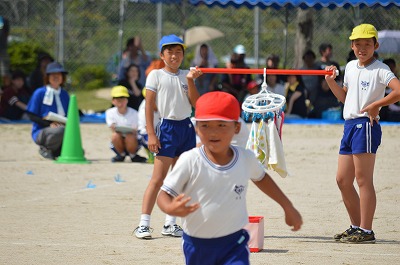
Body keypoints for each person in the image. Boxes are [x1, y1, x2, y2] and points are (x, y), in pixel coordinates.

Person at [157, 91, 302, 265]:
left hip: (234, 243)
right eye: (205, 125)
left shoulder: (246, 158)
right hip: (197, 246)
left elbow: (262, 178)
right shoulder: (189, 160)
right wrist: (171, 208)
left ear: (237, 127)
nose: (213, 132)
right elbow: (164, 194)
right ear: (196, 128)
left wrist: (287, 206)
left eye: (221, 125)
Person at [325, 24, 400, 243]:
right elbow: (345, 97)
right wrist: (331, 82)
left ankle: (367, 230)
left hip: (366, 125)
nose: (362, 48)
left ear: (376, 45)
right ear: (352, 45)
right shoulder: (350, 67)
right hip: (349, 125)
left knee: (363, 180)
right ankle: (356, 226)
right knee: (342, 180)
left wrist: (378, 105)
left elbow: (398, 90)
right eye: (358, 44)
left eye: (367, 44)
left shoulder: (381, 69)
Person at [133, 34, 203, 239]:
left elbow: (196, 105)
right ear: (162, 55)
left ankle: (170, 223)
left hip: (186, 128)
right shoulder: (155, 75)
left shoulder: (186, 75)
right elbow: (148, 106)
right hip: (167, 128)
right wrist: (151, 134)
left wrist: (190, 81)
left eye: (179, 51)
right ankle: (143, 223)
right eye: (170, 52)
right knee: (158, 179)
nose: (175, 55)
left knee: (180, 178)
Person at [26, 62, 70, 160]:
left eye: (59, 75)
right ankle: (46, 148)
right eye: (53, 75)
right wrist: (48, 124)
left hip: (62, 128)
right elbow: (30, 114)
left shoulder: (64, 94)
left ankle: (55, 151)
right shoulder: (40, 92)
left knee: (77, 150)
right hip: (42, 130)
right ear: (47, 77)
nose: (56, 77)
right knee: (59, 131)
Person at [105, 85, 147, 163]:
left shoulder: (134, 113)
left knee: (129, 136)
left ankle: (132, 155)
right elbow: (112, 127)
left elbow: (136, 130)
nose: (120, 102)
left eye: (123, 99)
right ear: (113, 101)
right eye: (118, 99)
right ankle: (121, 154)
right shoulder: (110, 112)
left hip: (132, 140)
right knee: (115, 135)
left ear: (127, 100)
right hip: (118, 140)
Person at [137, 88, 161, 164]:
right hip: (145, 133)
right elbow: (146, 127)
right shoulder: (144, 108)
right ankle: (151, 153)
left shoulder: (160, 103)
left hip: (158, 130)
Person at [0, 16, 10, 87]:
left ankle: (6, 88)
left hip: (2, 48)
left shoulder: (3, 20)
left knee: (5, 72)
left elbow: (5, 33)